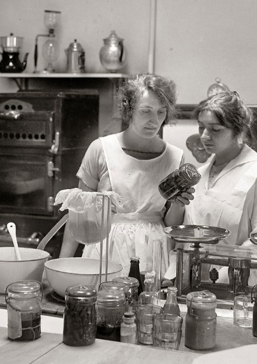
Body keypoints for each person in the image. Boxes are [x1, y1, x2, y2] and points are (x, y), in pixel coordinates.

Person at [59, 73, 191, 280]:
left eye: (161, 112)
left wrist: (179, 205)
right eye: (146, 111)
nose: (154, 121)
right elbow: (77, 215)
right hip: (106, 249)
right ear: (129, 111)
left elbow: (170, 223)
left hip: (155, 251)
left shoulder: (175, 157)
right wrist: (62, 268)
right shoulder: (101, 149)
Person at [166, 91, 257, 284]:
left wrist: (218, 280)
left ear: (239, 131)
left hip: (237, 285)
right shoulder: (200, 174)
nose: (204, 136)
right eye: (201, 127)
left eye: (215, 129)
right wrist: (177, 205)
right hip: (191, 281)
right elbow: (176, 231)